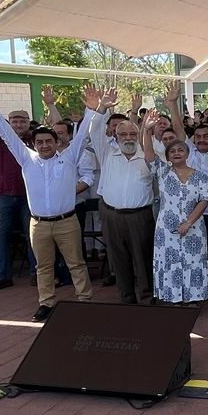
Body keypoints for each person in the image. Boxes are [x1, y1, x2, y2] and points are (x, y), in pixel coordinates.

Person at [0, 84, 102, 321]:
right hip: (39, 225)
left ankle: (84, 300)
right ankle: (46, 302)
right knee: (42, 267)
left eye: (49, 141)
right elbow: (7, 135)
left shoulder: (69, 157)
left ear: (56, 142)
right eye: (40, 142)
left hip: (67, 221)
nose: (44, 145)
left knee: (76, 263)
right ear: (34, 144)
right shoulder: (27, 159)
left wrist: (91, 111)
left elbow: (83, 134)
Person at [164, 85, 208, 304]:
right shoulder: (189, 154)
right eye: (198, 136)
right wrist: (172, 104)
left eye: (205, 136)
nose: (201, 139)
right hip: (191, 217)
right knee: (194, 256)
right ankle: (195, 292)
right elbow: (177, 128)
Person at [141, 111, 208, 306]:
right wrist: (146, 130)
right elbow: (148, 153)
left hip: (194, 227)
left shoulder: (200, 176)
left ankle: (192, 298)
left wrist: (189, 222)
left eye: (180, 150)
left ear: (187, 153)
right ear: (168, 156)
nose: (177, 153)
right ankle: (173, 297)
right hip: (167, 228)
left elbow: (204, 200)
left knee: (193, 261)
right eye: (172, 151)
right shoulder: (162, 171)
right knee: (170, 262)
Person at [88, 103, 155, 305]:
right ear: (115, 136)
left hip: (140, 216)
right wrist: (100, 109)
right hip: (112, 215)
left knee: (143, 259)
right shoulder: (106, 152)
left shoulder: (148, 157)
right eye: (123, 134)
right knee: (118, 259)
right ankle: (127, 298)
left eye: (132, 134)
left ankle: (147, 296)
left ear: (138, 135)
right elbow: (94, 131)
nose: (128, 138)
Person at [0, 100, 36, 292]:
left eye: (22, 121)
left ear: (29, 122)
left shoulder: (36, 139)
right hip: (5, 195)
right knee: (0, 235)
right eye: (14, 121)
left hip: (31, 196)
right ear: (8, 123)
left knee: (33, 236)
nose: (18, 125)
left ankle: (37, 273)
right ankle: (2, 276)